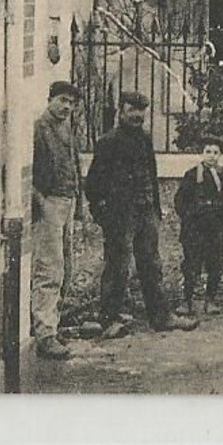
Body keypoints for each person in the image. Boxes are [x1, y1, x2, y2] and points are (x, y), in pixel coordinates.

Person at [82, 91, 199, 338]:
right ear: (120, 111)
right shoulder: (108, 142)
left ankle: (161, 316)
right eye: (131, 110)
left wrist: (155, 209)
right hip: (120, 216)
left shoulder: (145, 139)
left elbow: (151, 175)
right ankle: (109, 319)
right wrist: (104, 213)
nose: (137, 115)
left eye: (141, 111)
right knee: (118, 267)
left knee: (151, 264)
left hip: (146, 211)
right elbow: (93, 185)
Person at [31, 80, 81, 359]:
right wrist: (42, 203)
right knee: (48, 269)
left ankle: (54, 323)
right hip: (49, 202)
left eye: (72, 103)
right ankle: (45, 333)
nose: (66, 107)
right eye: (62, 100)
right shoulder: (39, 129)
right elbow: (26, 174)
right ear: (50, 99)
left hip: (68, 202)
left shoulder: (67, 128)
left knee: (66, 267)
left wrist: (78, 204)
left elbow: (74, 166)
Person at [172, 136, 223, 315]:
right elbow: (180, 200)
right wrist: (189, 216)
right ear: (202, 153)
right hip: (195, 226)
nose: (211, 156)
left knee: (215, 263)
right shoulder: (191, 174)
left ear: (220, 155)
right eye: (208, 152)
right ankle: (186, 301)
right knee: (191, 263)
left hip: (217, 226)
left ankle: (211, 300)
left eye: (215, 153)